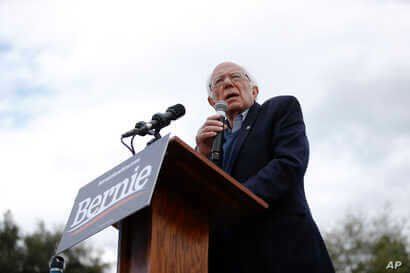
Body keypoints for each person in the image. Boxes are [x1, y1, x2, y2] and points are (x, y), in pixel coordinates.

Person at [195, 62, 335, 273]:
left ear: (254, 90)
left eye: (235, 76)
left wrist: (234, 202)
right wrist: (201, 154)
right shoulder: (211, 141)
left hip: (284, 252)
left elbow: (289, 164)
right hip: (230, 260)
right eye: (218, 82)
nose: (227, 83)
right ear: (212, 101)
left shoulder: (279, 110)